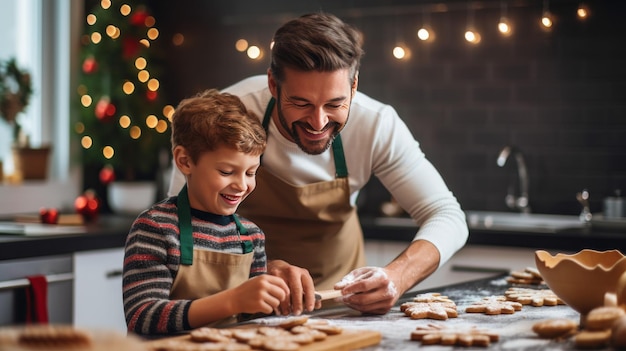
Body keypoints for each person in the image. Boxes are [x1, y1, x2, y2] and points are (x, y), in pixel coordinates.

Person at [168, 12, 469, 317]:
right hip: (239, 299)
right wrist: (257, 268)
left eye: (335, 104)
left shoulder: (376, 124)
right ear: (273, 84)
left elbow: (446, 215)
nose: (318, 122)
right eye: (301, 103)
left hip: (340, 303)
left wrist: (398, 276)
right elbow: (180, 223)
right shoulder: (229, 113)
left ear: (353, 86)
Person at [123, 89, 301, 335]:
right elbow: (143, 317)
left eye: (251, 173)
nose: (241, 185)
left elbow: (252, 319)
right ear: (185, 161)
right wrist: (232, 301)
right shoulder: (156, 228)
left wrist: (277, 301)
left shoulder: (250, 237)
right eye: (227, 172)